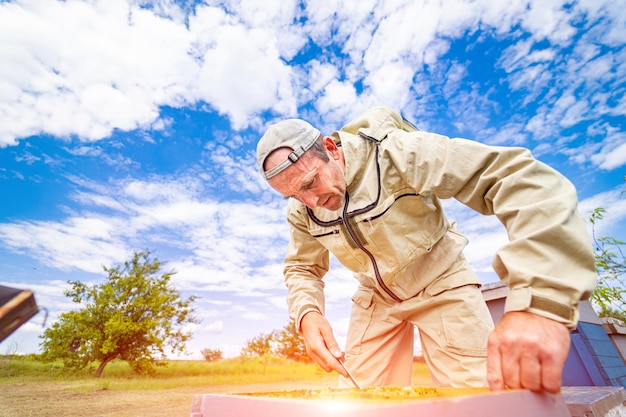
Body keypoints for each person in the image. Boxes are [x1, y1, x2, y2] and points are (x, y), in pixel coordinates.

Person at [255, 106, 596, 393]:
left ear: (330, 147)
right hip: (376, 298)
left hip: (441, 280)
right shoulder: (303, 209)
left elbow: (519, 180)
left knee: (475, 401)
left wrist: (538, 303)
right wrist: (307, 314)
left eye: (310, 183)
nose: (312, 201)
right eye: (295, 195)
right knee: (358, 400)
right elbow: (302, 267)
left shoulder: (396, 153)